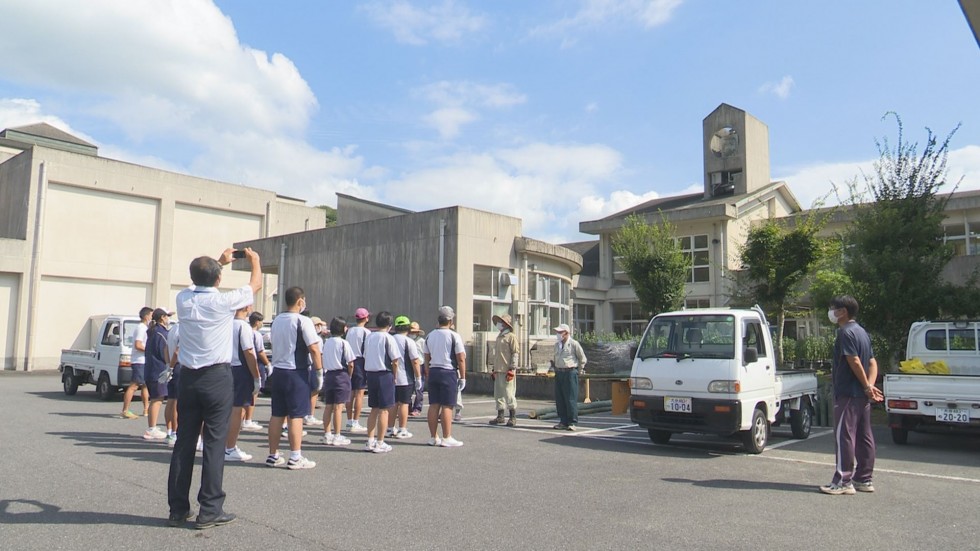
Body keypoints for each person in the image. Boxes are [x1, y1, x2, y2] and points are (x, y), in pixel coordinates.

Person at [167, 247, 261, 530]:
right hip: (216, 376)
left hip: (188, 378)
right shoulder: (223, 302)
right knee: (214, 443)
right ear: (218, 279)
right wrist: (255, 260)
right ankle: (209, 509)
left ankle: (177, 509)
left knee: (184, 443)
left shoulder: (183, 299)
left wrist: (218, 263)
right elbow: (254, 284)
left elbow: (196, 284)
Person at [820, 295, 883, 495]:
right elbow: (872, 362)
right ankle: (864, 479)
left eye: (833, 308)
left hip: (848, 392)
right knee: (864, 435)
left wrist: (866, 386)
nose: (831, 311)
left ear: (843, 311)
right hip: (861, 394)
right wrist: (870, 386)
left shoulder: (845, 332)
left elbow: (854, 360)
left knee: (844, 435)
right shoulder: (862, 332)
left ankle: (843, 480)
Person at [265, 286, 322, 470]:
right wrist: (319, 371)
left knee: (277, 414)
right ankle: (295, 456)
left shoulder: (277, 320)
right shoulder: (302, 321)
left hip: (278, 371)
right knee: (296, 415)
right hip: (296, 372)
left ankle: (273, 455)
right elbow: (314, 348)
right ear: (300, 301)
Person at [425, 306, 466, 447]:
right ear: (450, 320)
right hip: (448, 372)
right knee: (447, 405)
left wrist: (427, 373)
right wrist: (463, 377)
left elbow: (426, 357)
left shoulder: (430, 335)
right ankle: (446, 437)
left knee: (434, 405)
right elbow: (461, 358)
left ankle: (433, 437)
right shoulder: (454, 336)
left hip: (433, 371)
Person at [224, 305, 260, 462]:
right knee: (237, 410)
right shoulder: (243, 326)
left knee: (221, 410)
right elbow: (249, 352)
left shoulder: (224, 323)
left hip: (222, 368)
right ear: (246, 307)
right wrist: (256, 376)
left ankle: (215, 445)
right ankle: (230, 447)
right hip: (239, 370)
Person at [362, 311, 400, 453]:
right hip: (384, 374)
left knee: (374, 409)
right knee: (384, 410)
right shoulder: (388, 338)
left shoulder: (370, 337)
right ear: (390, 325)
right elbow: (395, 360)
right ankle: (380, 442)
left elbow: (365, 355)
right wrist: (395, 376)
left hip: (370, 374)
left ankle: (370, 441)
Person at [320, 316, 354, 447]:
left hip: (329, 375)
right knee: (339, 407)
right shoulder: (344, 343)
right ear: (343, 329)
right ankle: (337, 435)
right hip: (341, 375)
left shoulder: (327, 342)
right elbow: (351, 363)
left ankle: (327, 434)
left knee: (329, 406)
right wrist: (349, 376)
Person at [387, 315, 421, 439]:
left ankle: (390, 428)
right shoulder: (409, 341)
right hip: (405, 377)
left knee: (393, 404)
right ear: (408, 328)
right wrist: (418, 378)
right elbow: (415, 361)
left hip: (391, 377)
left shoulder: (390, 339)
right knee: (404, 403)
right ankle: (402, 429)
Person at [142, 308, 173, 440]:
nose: (168, 318)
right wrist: (170, 365)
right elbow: (165, 352)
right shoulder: (161, 334)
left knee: (156, 398)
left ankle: (152, 427)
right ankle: (151, 428)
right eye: (167, 316)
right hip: (158, 370)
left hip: (151, 370)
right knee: (157, 399)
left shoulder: (153, 332)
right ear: (162, 318)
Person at [552, 323, 587, 431]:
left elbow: (582, 358)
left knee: (570, 398)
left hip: (570, 372)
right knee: (560, 398)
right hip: (559, 372)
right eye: (557, 332)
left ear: (566, 333)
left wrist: (580, 370)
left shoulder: (573, 344)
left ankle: (572, 422)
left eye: (560, 332)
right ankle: (563, 421)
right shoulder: (557, 345)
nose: (558, 334)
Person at [121, 307, 152, 419]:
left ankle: (146, 409)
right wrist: (150, 350)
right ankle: (125, 410)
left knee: (144, 385)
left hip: (144, 361)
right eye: (151, 315)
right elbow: (138, 345)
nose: (152, 318)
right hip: (139, 361)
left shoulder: (145, 328)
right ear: (146, 316)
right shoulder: (141, 328)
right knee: (134, 385)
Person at [490, 314, 519, 427]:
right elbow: (496, 354)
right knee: (498, 394)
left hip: (507, 369)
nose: (499, 324)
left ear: (506, 324)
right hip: (498, 369)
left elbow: (515, 353)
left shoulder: (511, 336)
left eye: (501, 322)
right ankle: (500, 416)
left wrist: (512, 368)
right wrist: (493, 368)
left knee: (509, 393)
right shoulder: (499, 336)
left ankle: (512, 416)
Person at [345, 307, 371, 434]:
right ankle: (355, 421)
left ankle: (349, 421)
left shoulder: (350, 331)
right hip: (361, 361)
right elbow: (367, 351)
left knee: (350, 392)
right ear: (366, 318)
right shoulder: (367, 332)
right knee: (359, 393)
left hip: (350, 360)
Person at [242, 311, 269, 431]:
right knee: (254, 392)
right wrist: (268, 363)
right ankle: (248, 419)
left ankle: (245, 418)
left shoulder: (245, 331)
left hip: (245, 364)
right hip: (257, 363)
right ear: (257, 322)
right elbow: (260, 351)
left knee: (245, 392)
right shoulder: (256, 335)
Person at [304, 316, 328, 428]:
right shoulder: (317, 339)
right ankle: (310, 414)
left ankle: (306, 413)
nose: (320, 327)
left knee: (308, 391)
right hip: (314, 365)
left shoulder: (306, 336)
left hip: (306, 365)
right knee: (314, 391)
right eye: (318, 325)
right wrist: (321, 368)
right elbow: (319, 354)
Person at [408, 322, 426, 416]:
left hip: (420, 365)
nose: (413, 334)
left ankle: (417, 408)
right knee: (409, 387)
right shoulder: (407, 340)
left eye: (415, 332)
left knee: (419, 388)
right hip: (409, 365)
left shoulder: (422, 342)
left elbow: (425, 355)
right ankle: (408, 407)